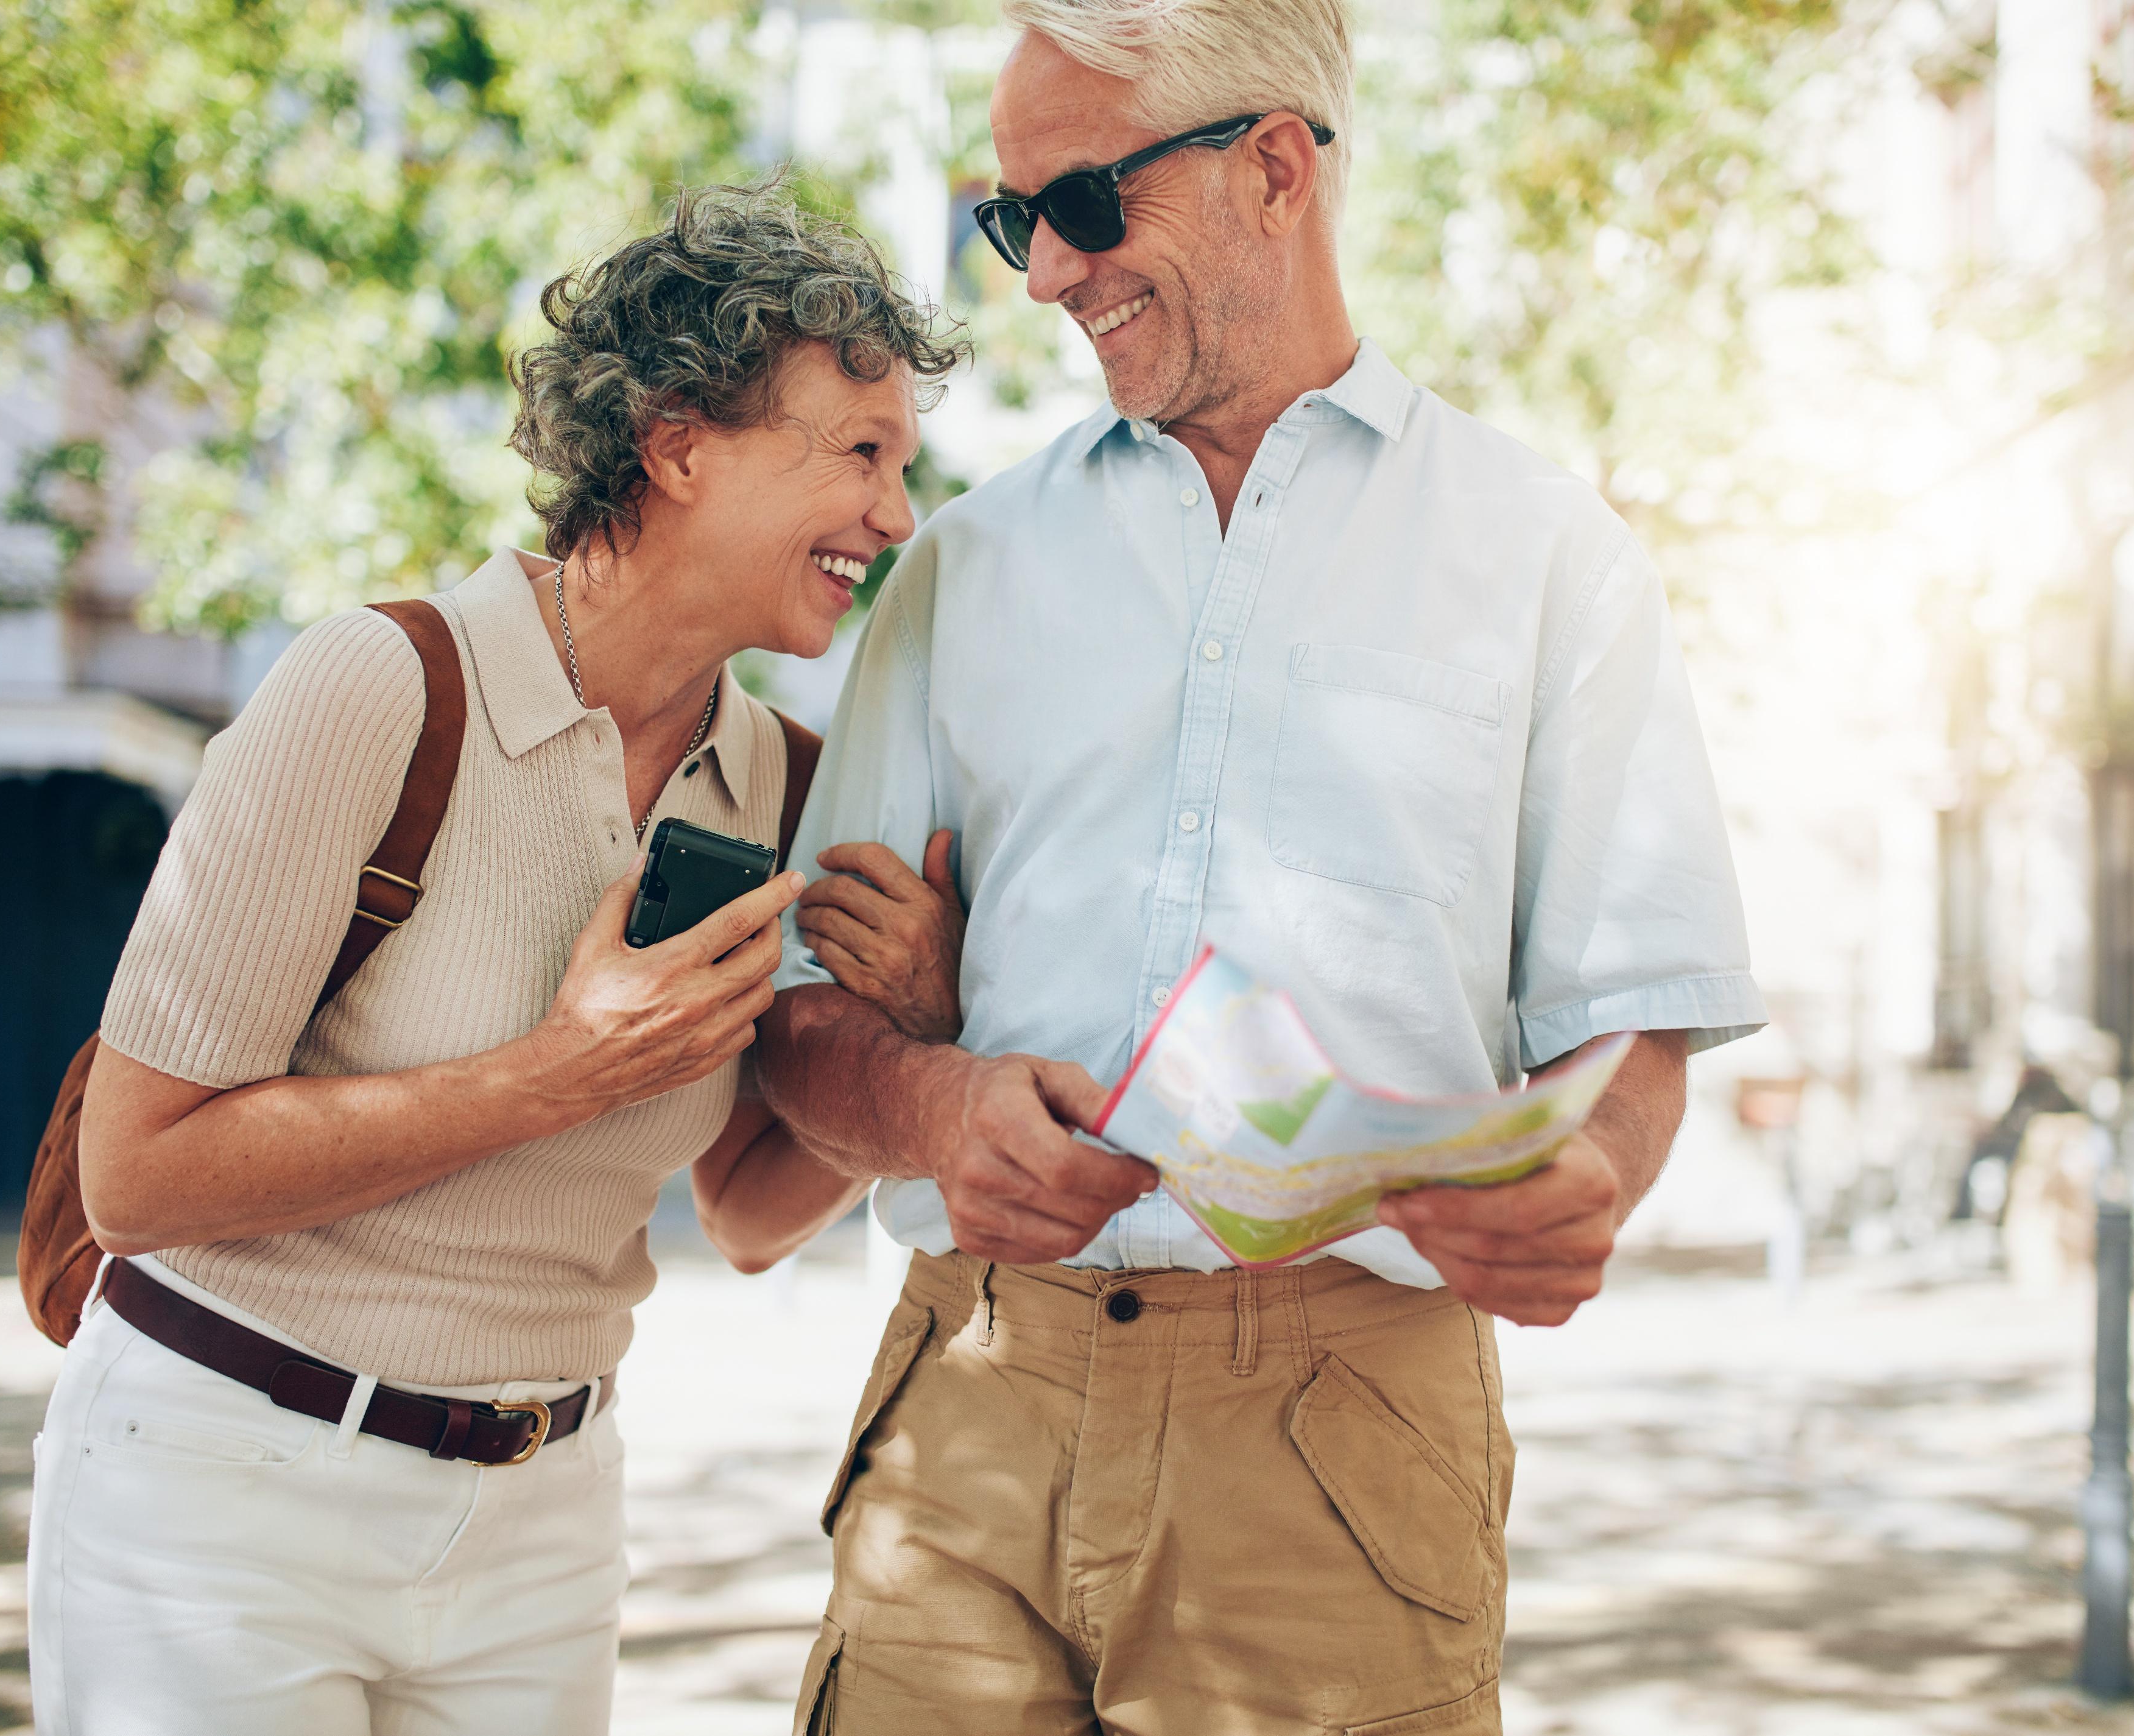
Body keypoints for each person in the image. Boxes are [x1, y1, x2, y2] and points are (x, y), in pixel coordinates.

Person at [758, 3, 1769, 1731]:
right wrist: (929, 1111)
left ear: (1274, 171)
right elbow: (795, 1030)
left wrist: (1586, 1179)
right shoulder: (960, 570)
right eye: (1011, 223)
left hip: (1341, 1434)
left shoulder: (1547, 559)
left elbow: (1634, 1028)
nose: (1042, 275)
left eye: (1073, 206)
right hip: (973, 1403)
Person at [26, 186, 968, 1736]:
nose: (893, 516)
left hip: (542, 1517)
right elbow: (137, 1178)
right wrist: (552, 1076)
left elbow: (741, 1210)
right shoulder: (383, 691)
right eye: (858, 455)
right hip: (221, 1496)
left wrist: (915, 1037)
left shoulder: (784, 784)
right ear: (677, 445)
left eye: (901, 467)